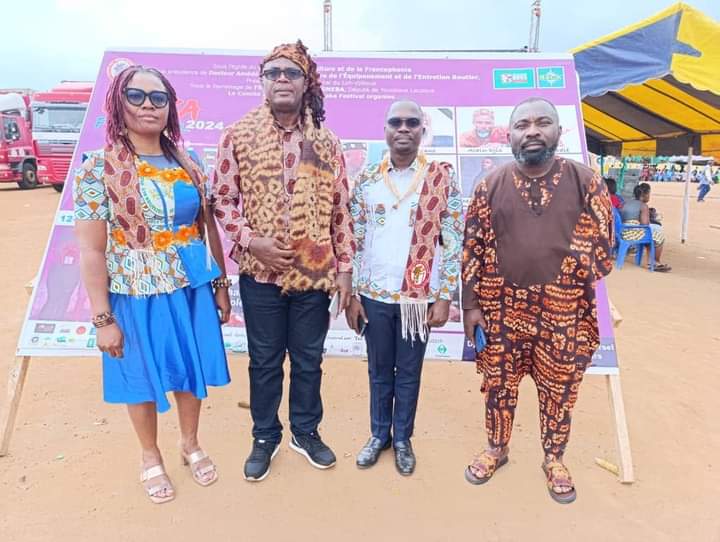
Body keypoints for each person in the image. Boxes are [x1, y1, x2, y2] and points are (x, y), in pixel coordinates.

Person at [73, 65, 231, 504]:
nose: (148, 105)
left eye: (158, 98)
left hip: (190, 287)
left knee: (189, 367)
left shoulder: (189, 161)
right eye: (137, 96)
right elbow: (91, 250)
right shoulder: (98, 169)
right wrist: (103, 318)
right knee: (140, 373)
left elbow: (207, 228)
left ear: (170, 107)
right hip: (135, 290)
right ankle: (150, 455)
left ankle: (190, 443)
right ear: (117, 103)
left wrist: (220, 283)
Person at [212, 40, 354, 482]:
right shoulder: (238, 134)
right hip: (261, 275)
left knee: (309, 361)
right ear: (263, 81)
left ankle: (306, 432)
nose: (281, 79)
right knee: (264, 361)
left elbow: (340, 210)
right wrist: (252, 241)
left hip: (314, 275)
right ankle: (265, 435)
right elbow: (222, 199)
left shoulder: (326, 140)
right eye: (272, 72)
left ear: (306, 81)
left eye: (291, 72)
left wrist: (345, 269)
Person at [462, 97, 614, 504]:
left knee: (559, 390)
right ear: (509, 135)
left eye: (542, 123)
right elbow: (472, 247)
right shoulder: (489, 185)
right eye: (522, 125)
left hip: (562, 312)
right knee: (498, 386)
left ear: (558, 132)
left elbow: (603, 246)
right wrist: (471, 306)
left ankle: (554, 459)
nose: (532, 131)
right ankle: (497, 449)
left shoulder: (586, 182)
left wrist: (559, 275)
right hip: (500, 311)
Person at [345, 100, 463, 476]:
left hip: (417, 300)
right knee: (379, 370)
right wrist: (352, 295)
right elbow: (353, 240)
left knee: (409, 373)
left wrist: (444, 296)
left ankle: (402, 440)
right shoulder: (367, 179)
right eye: (396, 122)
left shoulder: (440, 178)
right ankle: (379, 434)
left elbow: (453, 242)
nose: (404, 129)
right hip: (374, 296)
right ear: (385, 130)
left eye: (412, 123)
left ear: (422, 130)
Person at [620, 182, 671, 271]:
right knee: (659, 236)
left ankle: (651, 262)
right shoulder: (643, 206)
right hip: (633, 233)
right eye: (649, 194)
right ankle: (655, 262)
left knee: (653, 233)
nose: (649, 196)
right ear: (644, 195)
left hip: (623, 231)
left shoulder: (626, 203)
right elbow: (645, 224)